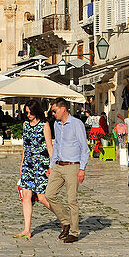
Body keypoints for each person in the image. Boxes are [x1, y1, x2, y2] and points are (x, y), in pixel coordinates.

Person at [45, 98, 88, 244]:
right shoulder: (56, 124)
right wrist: (51, 166)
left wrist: (82, 169)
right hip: (58, 165)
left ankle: (74, 233)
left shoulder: (77, 124)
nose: (53, 113)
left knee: (71, 200)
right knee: (49, 195)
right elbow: (56, 145)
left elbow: (84, 148)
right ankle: (66, 221)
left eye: (54, 110)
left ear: (63, 109)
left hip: (72, 166)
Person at [14, 100, 53, 239]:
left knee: (42, 197)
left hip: (41, 165)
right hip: (28, 165)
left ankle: (63, 217)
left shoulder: (45, 125)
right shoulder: (26, 125)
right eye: (26, 113)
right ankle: (27, 229)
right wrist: (22, 163)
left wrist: (51, 166)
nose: (28, 115)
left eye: (30, 112)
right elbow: (25, 147)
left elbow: (49, 147)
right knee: (26, 196)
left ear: (36, 111)